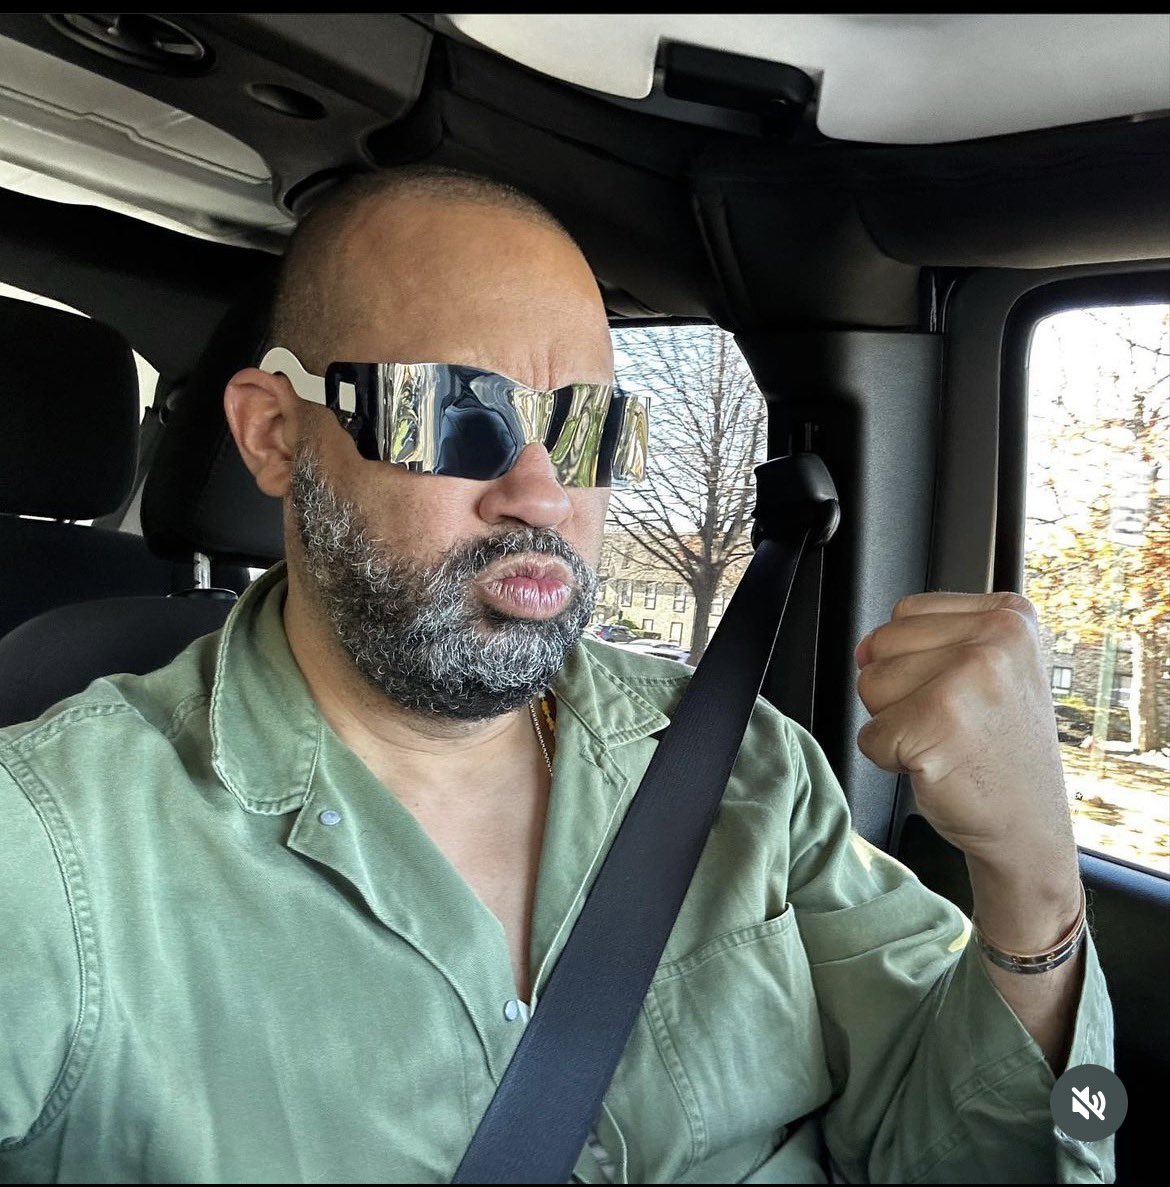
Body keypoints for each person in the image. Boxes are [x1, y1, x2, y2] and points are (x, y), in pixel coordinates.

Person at [0, 166, 1111, 1185]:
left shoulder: (747, 766)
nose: (541, 494)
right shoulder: (51, 851)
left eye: (586, 431)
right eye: (452, 411)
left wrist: (1032, 873)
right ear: (276, 434)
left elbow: (988, 1155)